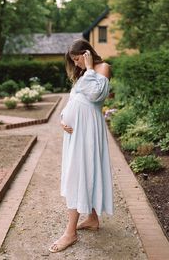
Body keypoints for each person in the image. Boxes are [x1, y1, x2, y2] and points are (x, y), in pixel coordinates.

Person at [49, 39, 114, 253]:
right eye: (74, 61)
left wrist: (88, 68)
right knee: (81, 171)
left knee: (80, 173)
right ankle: (92, 219)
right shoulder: (82, 75)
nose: (76, 64)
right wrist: (62, 119)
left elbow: (97, 95)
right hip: (74, 132)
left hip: (89, 131)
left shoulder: (102, 68)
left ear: (87, 53)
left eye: (77, 59)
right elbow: (74, 100)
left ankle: (70, 233)